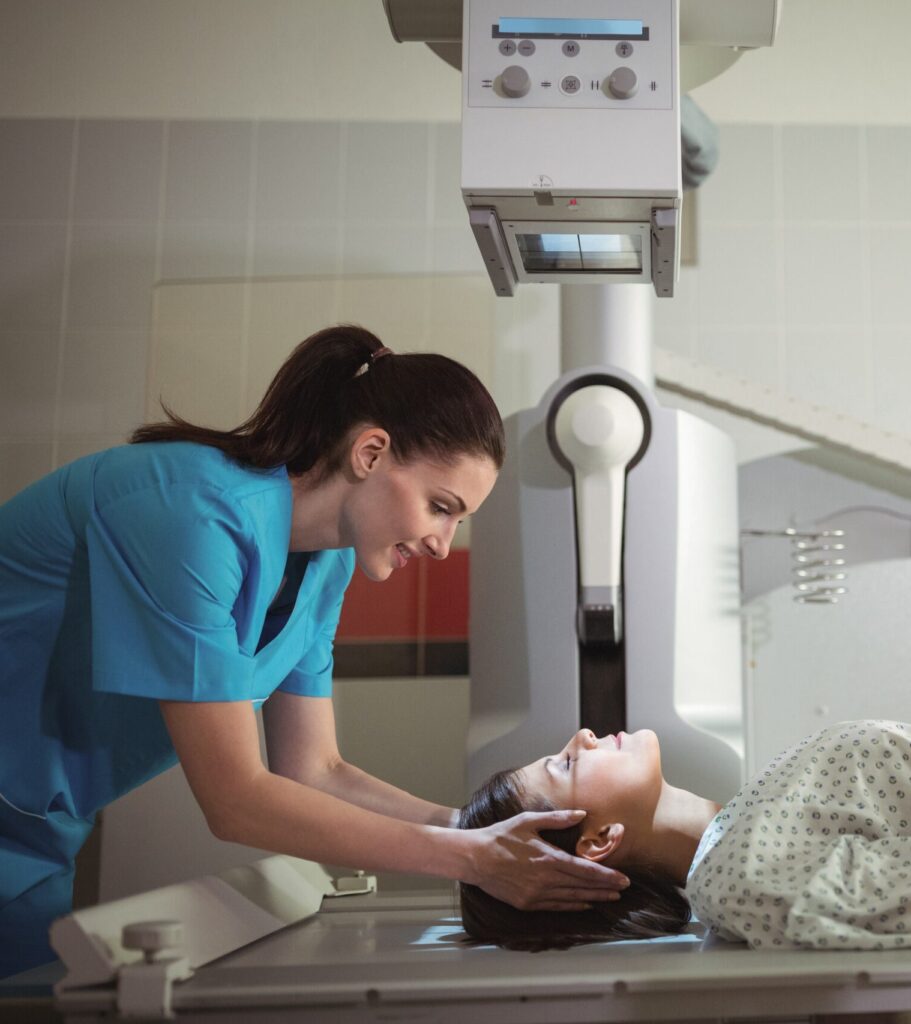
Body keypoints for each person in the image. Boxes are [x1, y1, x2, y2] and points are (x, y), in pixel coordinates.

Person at [0, 324, 629, 978]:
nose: (443, 542)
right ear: (370, 452)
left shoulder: (325, 565)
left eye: (457, 521)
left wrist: (472, 827)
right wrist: (468, 858)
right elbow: (236, 799)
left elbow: (315, 770)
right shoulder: (191, 514)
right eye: (440, 507)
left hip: (36, 829)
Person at [459, 721, 911, 953]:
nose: (582, 736)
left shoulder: (744, 825)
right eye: (566, 764)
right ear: (598, 840)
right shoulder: (738, 880)